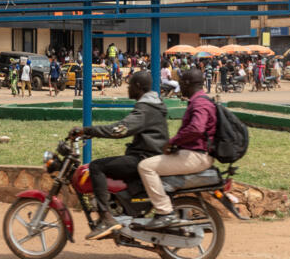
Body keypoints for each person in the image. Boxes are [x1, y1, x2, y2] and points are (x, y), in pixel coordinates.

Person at [71, 71, 169, 240]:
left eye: (130, 84)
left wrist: (88, 131)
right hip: (149, 155)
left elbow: (120, 129)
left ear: (138, 87)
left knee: (96, 166)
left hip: (144, 158)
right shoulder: (153, 105)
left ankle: (106, 218)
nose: (128, 88)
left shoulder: (146, 108)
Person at [137, 69, 216, 230]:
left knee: (145, 167)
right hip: (194, 153)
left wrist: (173, 141)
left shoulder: (200, 103)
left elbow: (196, 128)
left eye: (181, 83)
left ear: (187, 84)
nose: (179, 87)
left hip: (196, 156)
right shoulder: (200, 100)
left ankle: (164, 212)